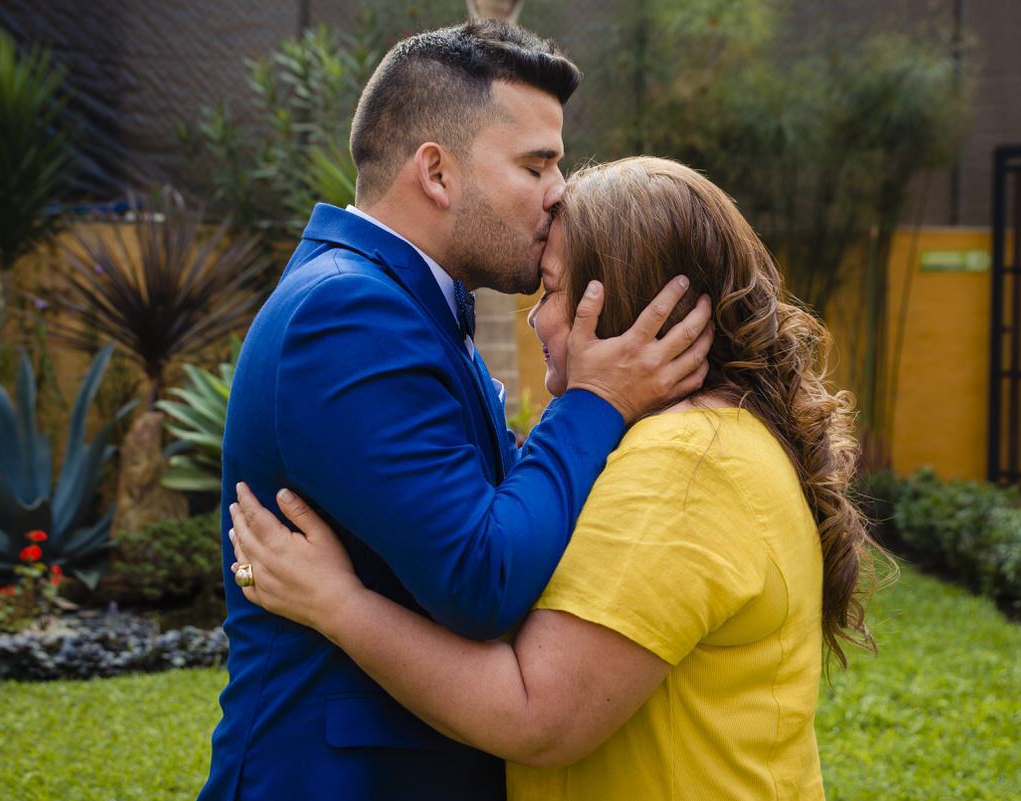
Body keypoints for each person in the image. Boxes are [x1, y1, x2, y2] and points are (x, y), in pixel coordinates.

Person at [227, 156, 889, 800]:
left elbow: (534, 713)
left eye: (553, 290)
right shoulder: (700, 438)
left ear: (631, 304)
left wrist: (336, 603)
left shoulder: (687, 459)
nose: (537, 317)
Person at [198, 22, 715, 801]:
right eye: (536, 163)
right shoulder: (347, 315)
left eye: (559, 164)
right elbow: (482, 577)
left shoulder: (409, 307)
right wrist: (595, 401)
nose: (559, 191)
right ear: (436, 172)